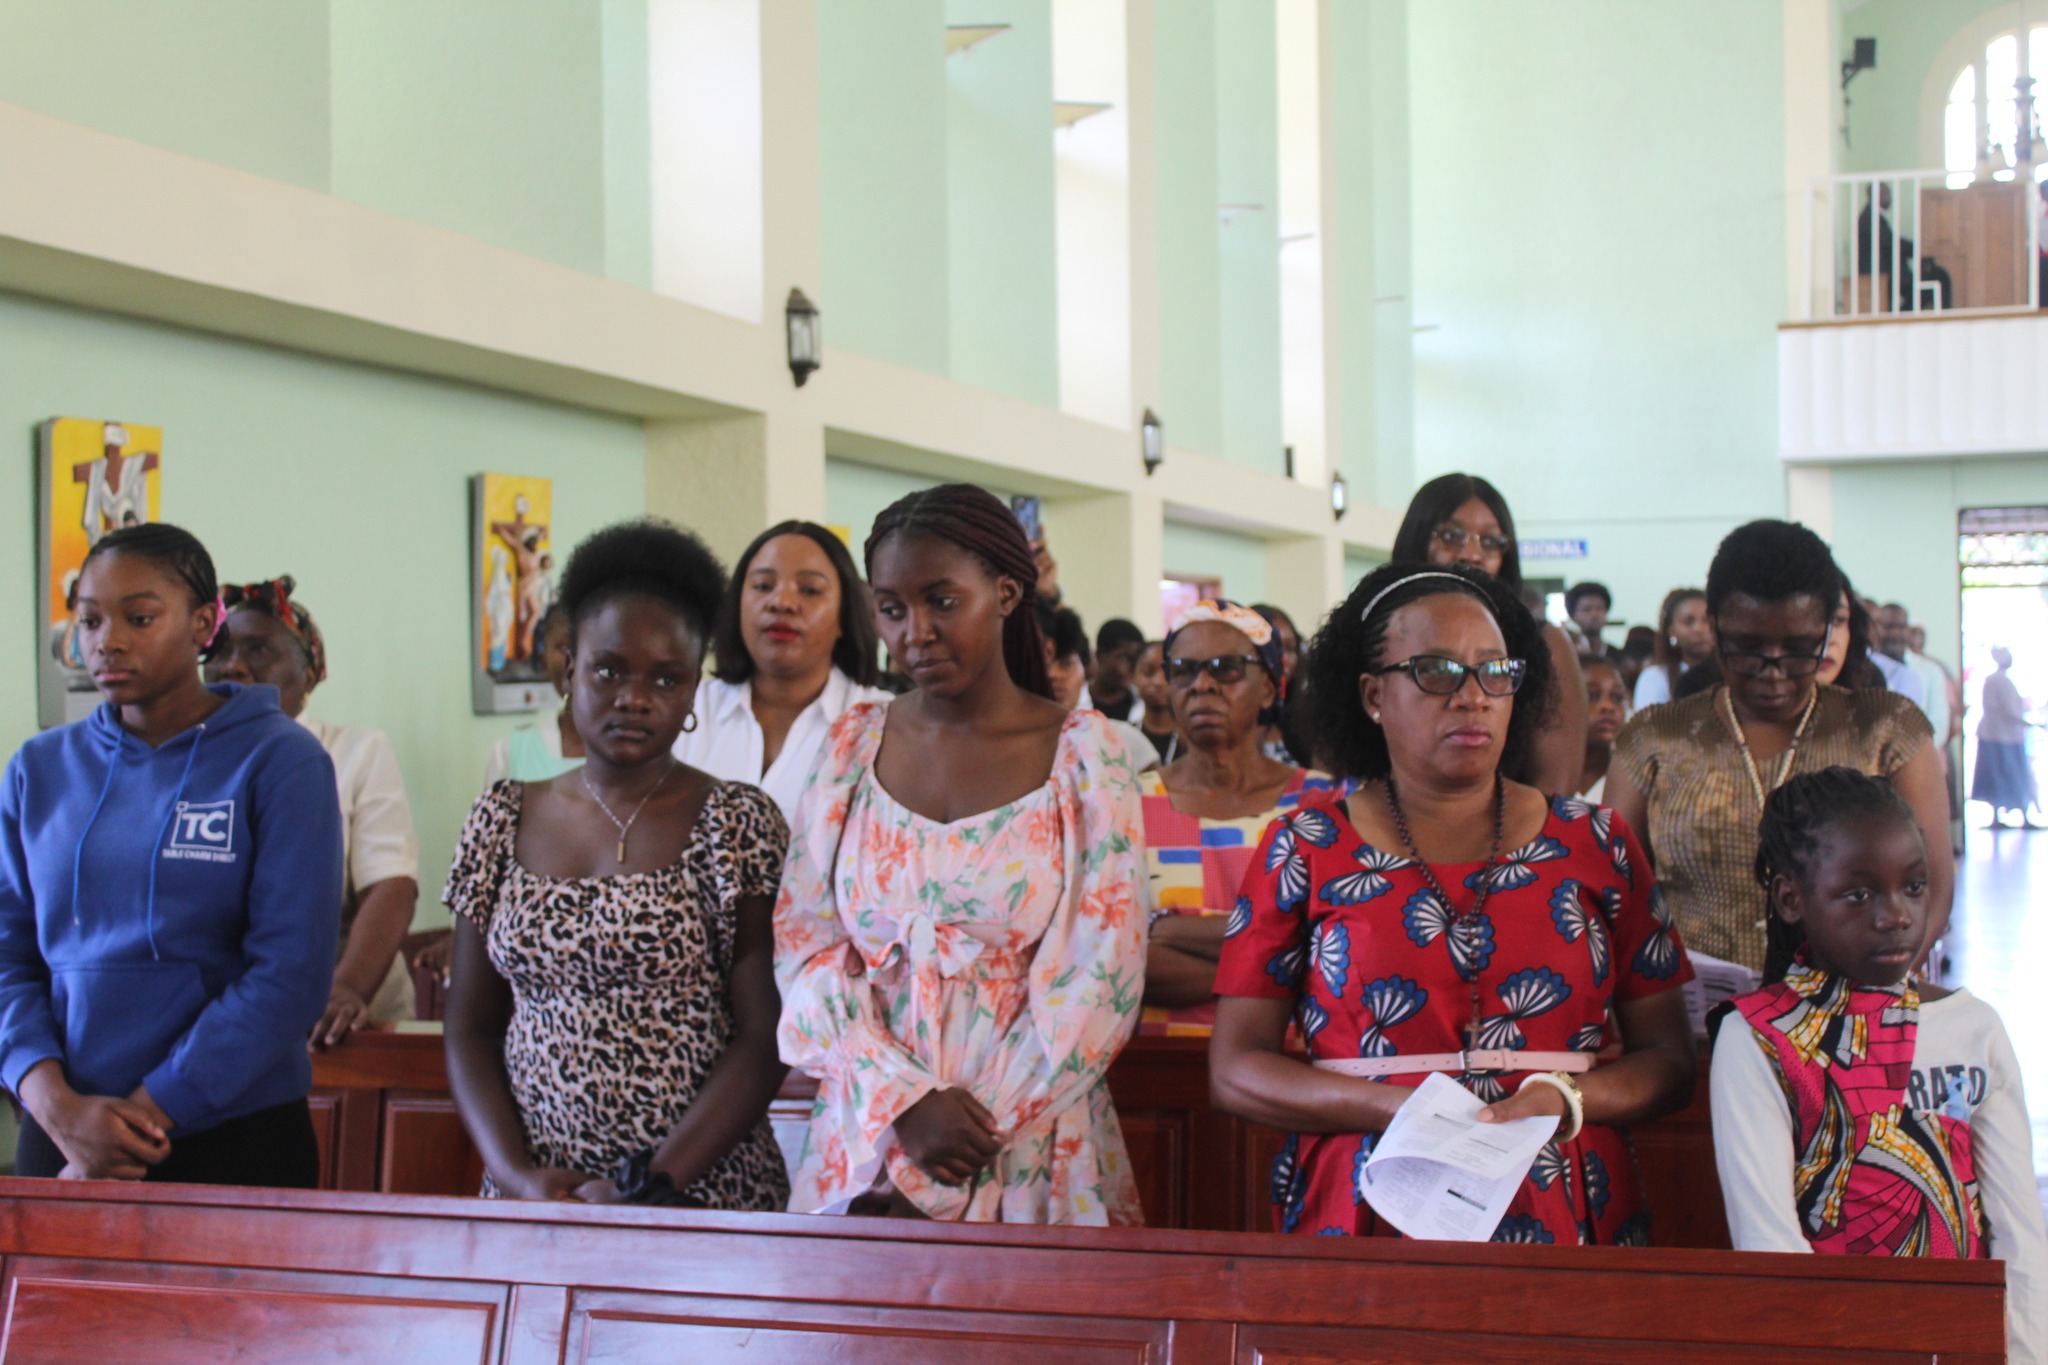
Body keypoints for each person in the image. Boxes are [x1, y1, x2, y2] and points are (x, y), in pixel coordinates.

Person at [1208, 564, 1695, 1242]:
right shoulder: (1305, 846)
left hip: (1558, 1194)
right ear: (1374, 694)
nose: (1473, 696)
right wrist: (1392, 1107)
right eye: (1437, 671)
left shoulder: (1597, 840)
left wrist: (1567, 1097)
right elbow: (1235, 1069)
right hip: (1373, 1191)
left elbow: (1670, 1055)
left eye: (1495, 671)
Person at [776, 483, 1146, 1225]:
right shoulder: (850, 744)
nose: (915, 631)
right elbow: (805, 946)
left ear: (1006, 592)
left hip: (1027, 1136)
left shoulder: (1084, 755)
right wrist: (904, 1104)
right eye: (892, 607)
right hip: (870, 1133)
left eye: (942, 601)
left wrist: (966, 1137)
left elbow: (1102, 977)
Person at [443, 520, 790, 1210]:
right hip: (538, 1197)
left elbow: (763, 1034)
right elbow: (470, 1025)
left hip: (699, 1194)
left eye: (666, 677)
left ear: (694, 692)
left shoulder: (737, 822)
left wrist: (656, 1181)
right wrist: (514, 1175)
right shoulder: (500, 817)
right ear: (569, 666)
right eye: (609, 670)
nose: (635, 697)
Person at [0, 523, 344, 1187]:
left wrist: (142, 1117)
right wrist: (51, 1101)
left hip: (231, 1136)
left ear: (204, 623)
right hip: (64, 1133)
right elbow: (8, 955)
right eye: (90, 620)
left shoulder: (280, 760)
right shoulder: (37, 769)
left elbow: (288, 973)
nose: (108, 641)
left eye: (140, 617)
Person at [1713, 769, 2044, 1364]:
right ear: (1792, 899)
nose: (1896, 916)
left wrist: (2025, 1355)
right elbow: (1769, 1242)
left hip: (1964, 1340)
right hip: (1832, 1342)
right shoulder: (1757, 1038)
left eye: (1913, 888)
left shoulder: (1974, 1027)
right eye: (1860, 894)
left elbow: (2019, 1231)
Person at [1605, 520, 1952, 977]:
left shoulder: (1887, 729)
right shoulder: (1655, 737)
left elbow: (1935, 885)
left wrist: (1864, 995)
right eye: (1746, 648)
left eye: (1798, 648)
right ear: (1714, 626)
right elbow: (1615, 891)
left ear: (1828, 630)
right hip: (1690, 1022)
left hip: (1851, 1019)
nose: (1773, 672)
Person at [207, 576, 420, 1043]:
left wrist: (345, 987)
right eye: (219, 651)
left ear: (309, 674)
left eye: (260, 652)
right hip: (229, 1022)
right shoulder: (191, 763)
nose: (233, 667)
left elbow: (390, 886)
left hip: (340, 1021)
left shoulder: (354, 753)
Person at [1138, 600, 1336, 1036]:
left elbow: (1337, 951)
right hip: (1158, 1071)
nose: (1202, 685)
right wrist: (1277, 969)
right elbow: (1117, 963)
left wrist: (1169, 933)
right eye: (1183, 671)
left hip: (1293, 1073)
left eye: (1225, 668)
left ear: (1268, 688)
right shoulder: (1129, 806)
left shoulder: (1326, 804)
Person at [678, 521, 888, 822]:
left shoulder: (881, 722)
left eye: (810, 590)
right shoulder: (689, 707)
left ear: (845, 615)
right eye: (763, 586)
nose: (782, 603)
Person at [1390, 473, 1586, 795]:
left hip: (1514, 834)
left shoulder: (1544, 642)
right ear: (1417, 538)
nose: (1472, 554)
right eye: (1451, 536)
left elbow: (1556, 782)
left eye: (1491, 541)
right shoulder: (1378, 634)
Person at [483, 604, 585, 784]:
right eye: (563, 647)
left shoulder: (640, 756)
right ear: (542, 661)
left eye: (591, 645)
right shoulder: (510, 755)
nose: (577, 660)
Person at [1856, 183, 1952, 312]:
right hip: (1886, 274)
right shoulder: (1870, 218)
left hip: (1892, 273)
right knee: (1939, 277)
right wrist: (1919, 249)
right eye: (1886, 193)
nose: (1889, 197)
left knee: (1937, 276)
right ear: (1876, 195)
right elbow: (1891, 244)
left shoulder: (1873, 216)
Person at [1972, 646, 2040, 827]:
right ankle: (2005, 817)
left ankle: (2015, 816)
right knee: (2005, 776)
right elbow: (2008, 710)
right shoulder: (1999, 681)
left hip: (2005, 736)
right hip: (2001, 738)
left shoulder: (2000, 681)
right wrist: (2027, 724)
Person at [1632, 588, 1713, 710]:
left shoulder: (1731, 675)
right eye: (1688, 622)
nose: (1699, 629)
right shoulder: (1655, 678)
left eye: (1706, 621)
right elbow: (1647, 726)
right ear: (1671, 631)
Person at [1578, 655, 1630, 803]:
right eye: (1592, 696)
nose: (1608, 707)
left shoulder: (1635, 780)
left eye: (1617, 698)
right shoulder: (1544, 780)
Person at [1090, 618, 1146, 722]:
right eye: (1125, 658)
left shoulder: (1143, 705)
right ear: (1100, 656)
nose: (1132, 667)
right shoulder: (1075, 702)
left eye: (1136, 660)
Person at [1039, 603, 1093, 711]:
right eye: (1042, 665)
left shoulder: (1107, 727)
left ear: (1085, 671)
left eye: (1066, 664)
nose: (1053, 674)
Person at [1131, 640, 1178, 761]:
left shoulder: (1193, 740)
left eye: (1167, 673)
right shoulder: (1123, 737)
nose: (1159, 682)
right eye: (1148, 672)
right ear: (1133, 676)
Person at [1565, 582, 1619, 663]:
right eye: (1587, 609)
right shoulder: (1567, 655)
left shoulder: (1618, 656)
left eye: (1599, 608)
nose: (1594, 614)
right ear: (1572, 616)